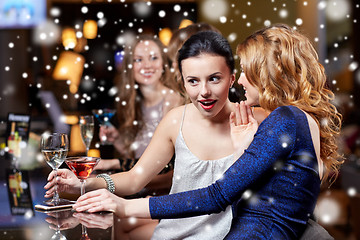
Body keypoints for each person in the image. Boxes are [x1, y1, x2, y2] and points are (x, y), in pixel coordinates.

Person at [73, 24, 343, 239]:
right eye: (193, 80)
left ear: (267, 74)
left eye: (246, 72)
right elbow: (276, 190)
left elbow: (217, 196)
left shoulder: (283, 118)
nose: (241, 80)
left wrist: (124, 205)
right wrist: (242, 150)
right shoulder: (295, 119)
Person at [45, 31, 268, 239]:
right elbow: (135, 179)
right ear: (182, 81)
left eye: (214, 79)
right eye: (193, 81)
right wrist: (84, 183)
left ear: (232, 78)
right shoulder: (175, 120)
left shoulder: (257, 120)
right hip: (171, 233)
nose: (204, 92)